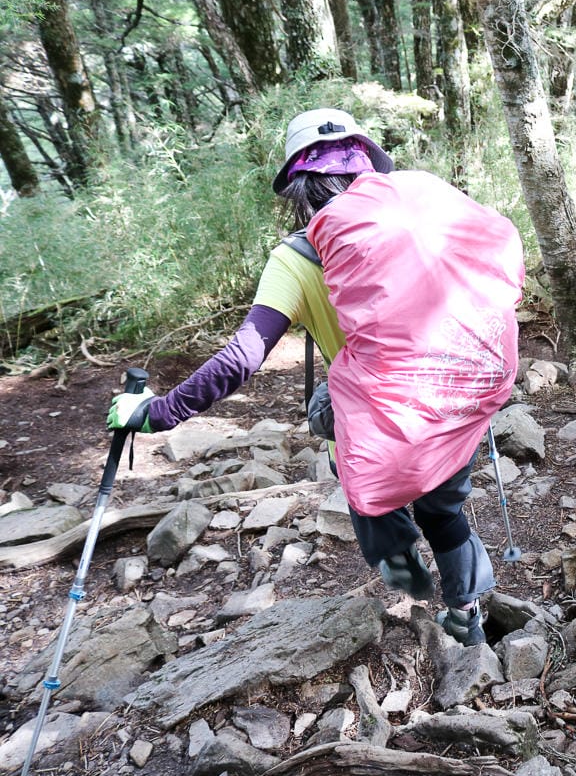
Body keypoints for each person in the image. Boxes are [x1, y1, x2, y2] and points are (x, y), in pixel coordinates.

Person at [107, 108, 524, 646]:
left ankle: (396, 551)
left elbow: (242, 357)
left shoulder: (296, 259)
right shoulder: (428, 219)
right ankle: (466, 613)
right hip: (457, 392)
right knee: (443, 506)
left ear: (298, 189)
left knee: (342, 436)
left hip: (376, 410)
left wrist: (157, 411)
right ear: (368, 168)